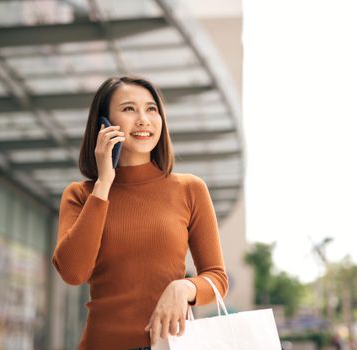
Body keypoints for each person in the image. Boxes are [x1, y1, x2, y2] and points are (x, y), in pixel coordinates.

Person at [52, 76, 229, 349]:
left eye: (151, 109)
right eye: (129, 109)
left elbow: (217, 278)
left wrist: (183, 288)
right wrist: (103, 184)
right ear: (104, 124)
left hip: (169, 344)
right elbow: (73, 272)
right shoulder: (81, 195)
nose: (144, 119)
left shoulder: (190, 189)